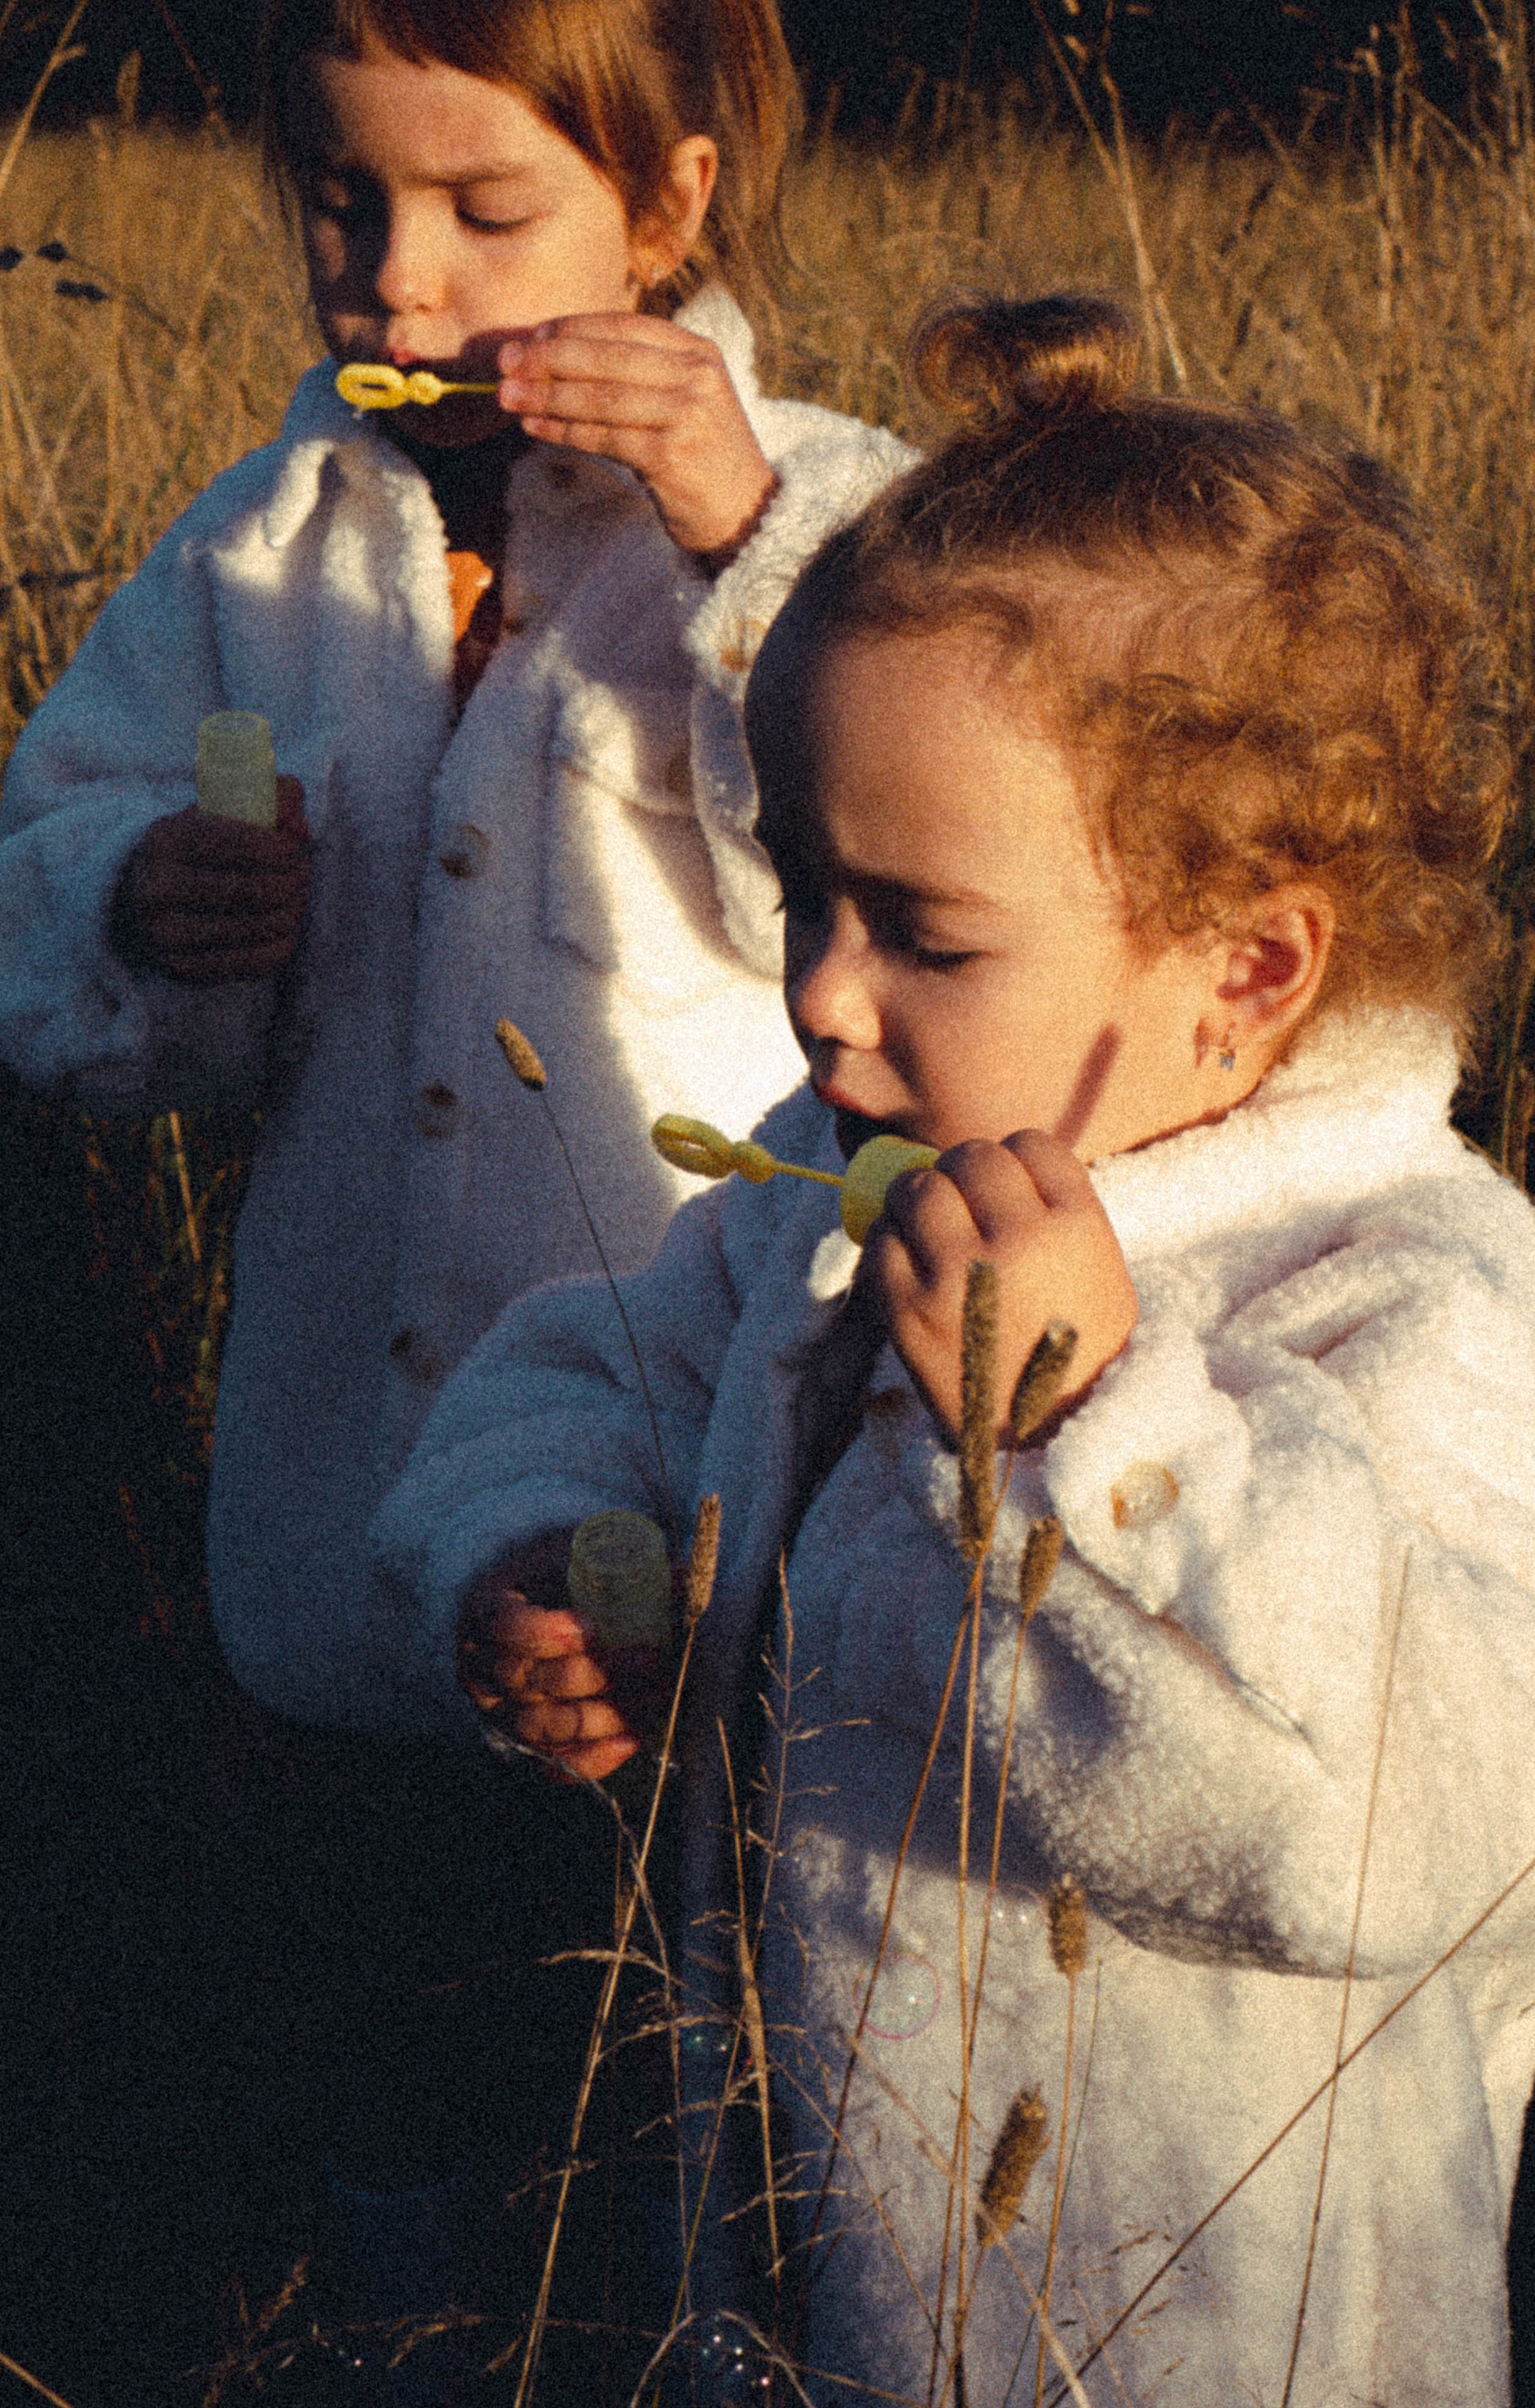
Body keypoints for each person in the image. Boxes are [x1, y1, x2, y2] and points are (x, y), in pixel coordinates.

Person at [377, 294, 1535, 2406]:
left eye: (923, 934)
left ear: (1245, 969)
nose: (821, 998)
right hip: (805, 2272)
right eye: (805, 896)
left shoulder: (1397, 1286)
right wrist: (547, 1551)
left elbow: (1419, 1829)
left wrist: (1091, 1432)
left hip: (1205, 2331)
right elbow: (596, 1367)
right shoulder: (830, 1187)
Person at [0, 0, 910, 2376]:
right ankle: (385, 2334)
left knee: (656, 1988)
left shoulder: (832, 520)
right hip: (335, 1475)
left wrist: (740, 541)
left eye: (488, 211)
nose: (398, 280)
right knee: (359, 1981)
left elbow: (914, 874)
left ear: (672, 203)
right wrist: (138, 899)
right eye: (342, 202)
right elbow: (45, 858)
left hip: (674, 1475)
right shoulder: (264, 542)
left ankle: (655, 2327)